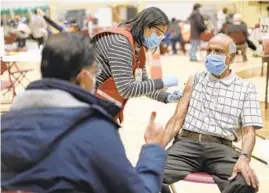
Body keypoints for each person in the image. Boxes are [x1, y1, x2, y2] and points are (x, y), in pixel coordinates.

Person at [1, 32, 181, 193]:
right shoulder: (94, 130)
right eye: (95, 71)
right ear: (83, 76)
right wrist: (153, 148)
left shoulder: (5, 125)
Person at [161, 33, 263, 193]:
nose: (211, 55)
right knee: (147, 174)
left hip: (221, 149)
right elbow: (176, 120)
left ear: (230, 57)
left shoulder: (246, 89)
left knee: (246, 184)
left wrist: (244, 158)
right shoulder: (194, 79)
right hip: (186, 145)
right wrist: (156, 149)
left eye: (218, 51)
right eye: (209, 50)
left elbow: (249, 131)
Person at [91, 7, 181, 123]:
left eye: (161, 36)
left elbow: (142, 85)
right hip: (89, 105)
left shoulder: (138, 48)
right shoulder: (120, 42)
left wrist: (166, 97)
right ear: (145, 25)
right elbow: (127, 89)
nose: (158, 39)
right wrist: (162, 82)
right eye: (157, 33)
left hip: (104, 105)